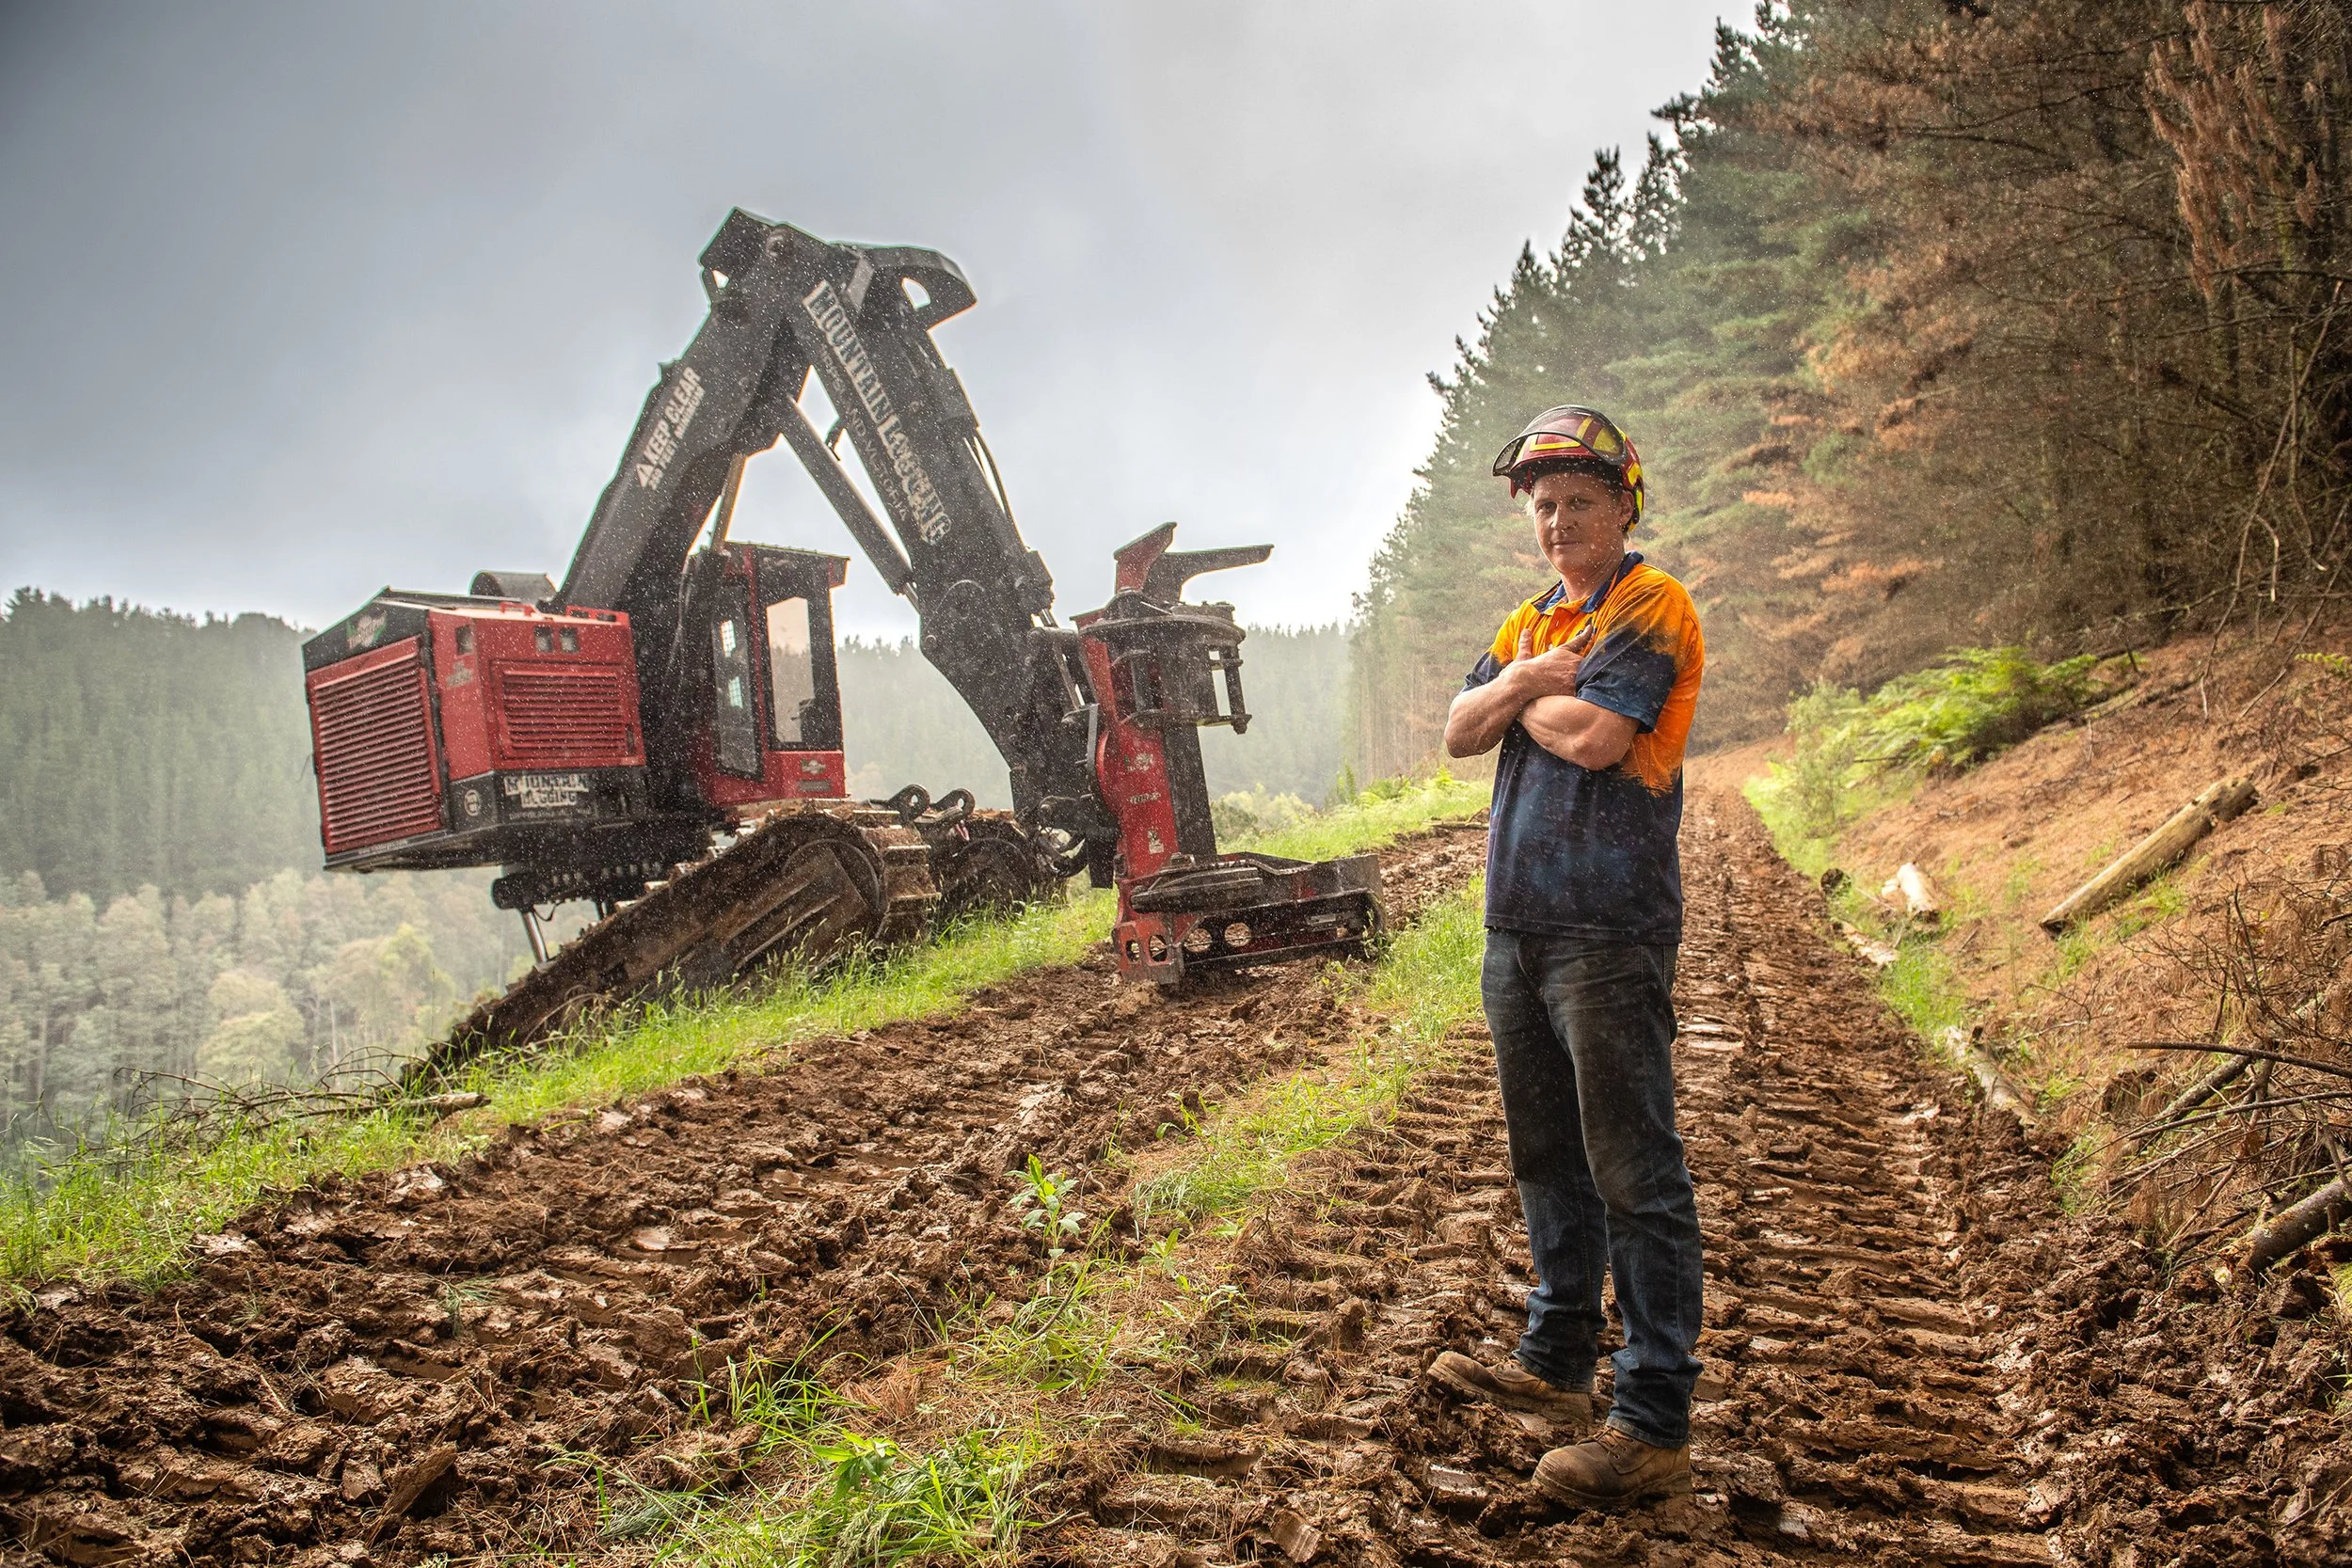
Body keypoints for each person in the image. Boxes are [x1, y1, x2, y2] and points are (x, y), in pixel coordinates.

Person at [1426, 404, 1707, 1510]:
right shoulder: (1536, 618)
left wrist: (1520, 692)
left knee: (1634, 1170)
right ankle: (1553, 1363)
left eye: (1577, 502)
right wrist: (1530, 680)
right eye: (1542, 506)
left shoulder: (1651, 605)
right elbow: (1456, 731)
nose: (1555, 522)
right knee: (1546, 1156)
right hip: (1518, 929)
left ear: (1622, 503)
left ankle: (1650, 1423)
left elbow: (1599, 739)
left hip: (1608, 930)